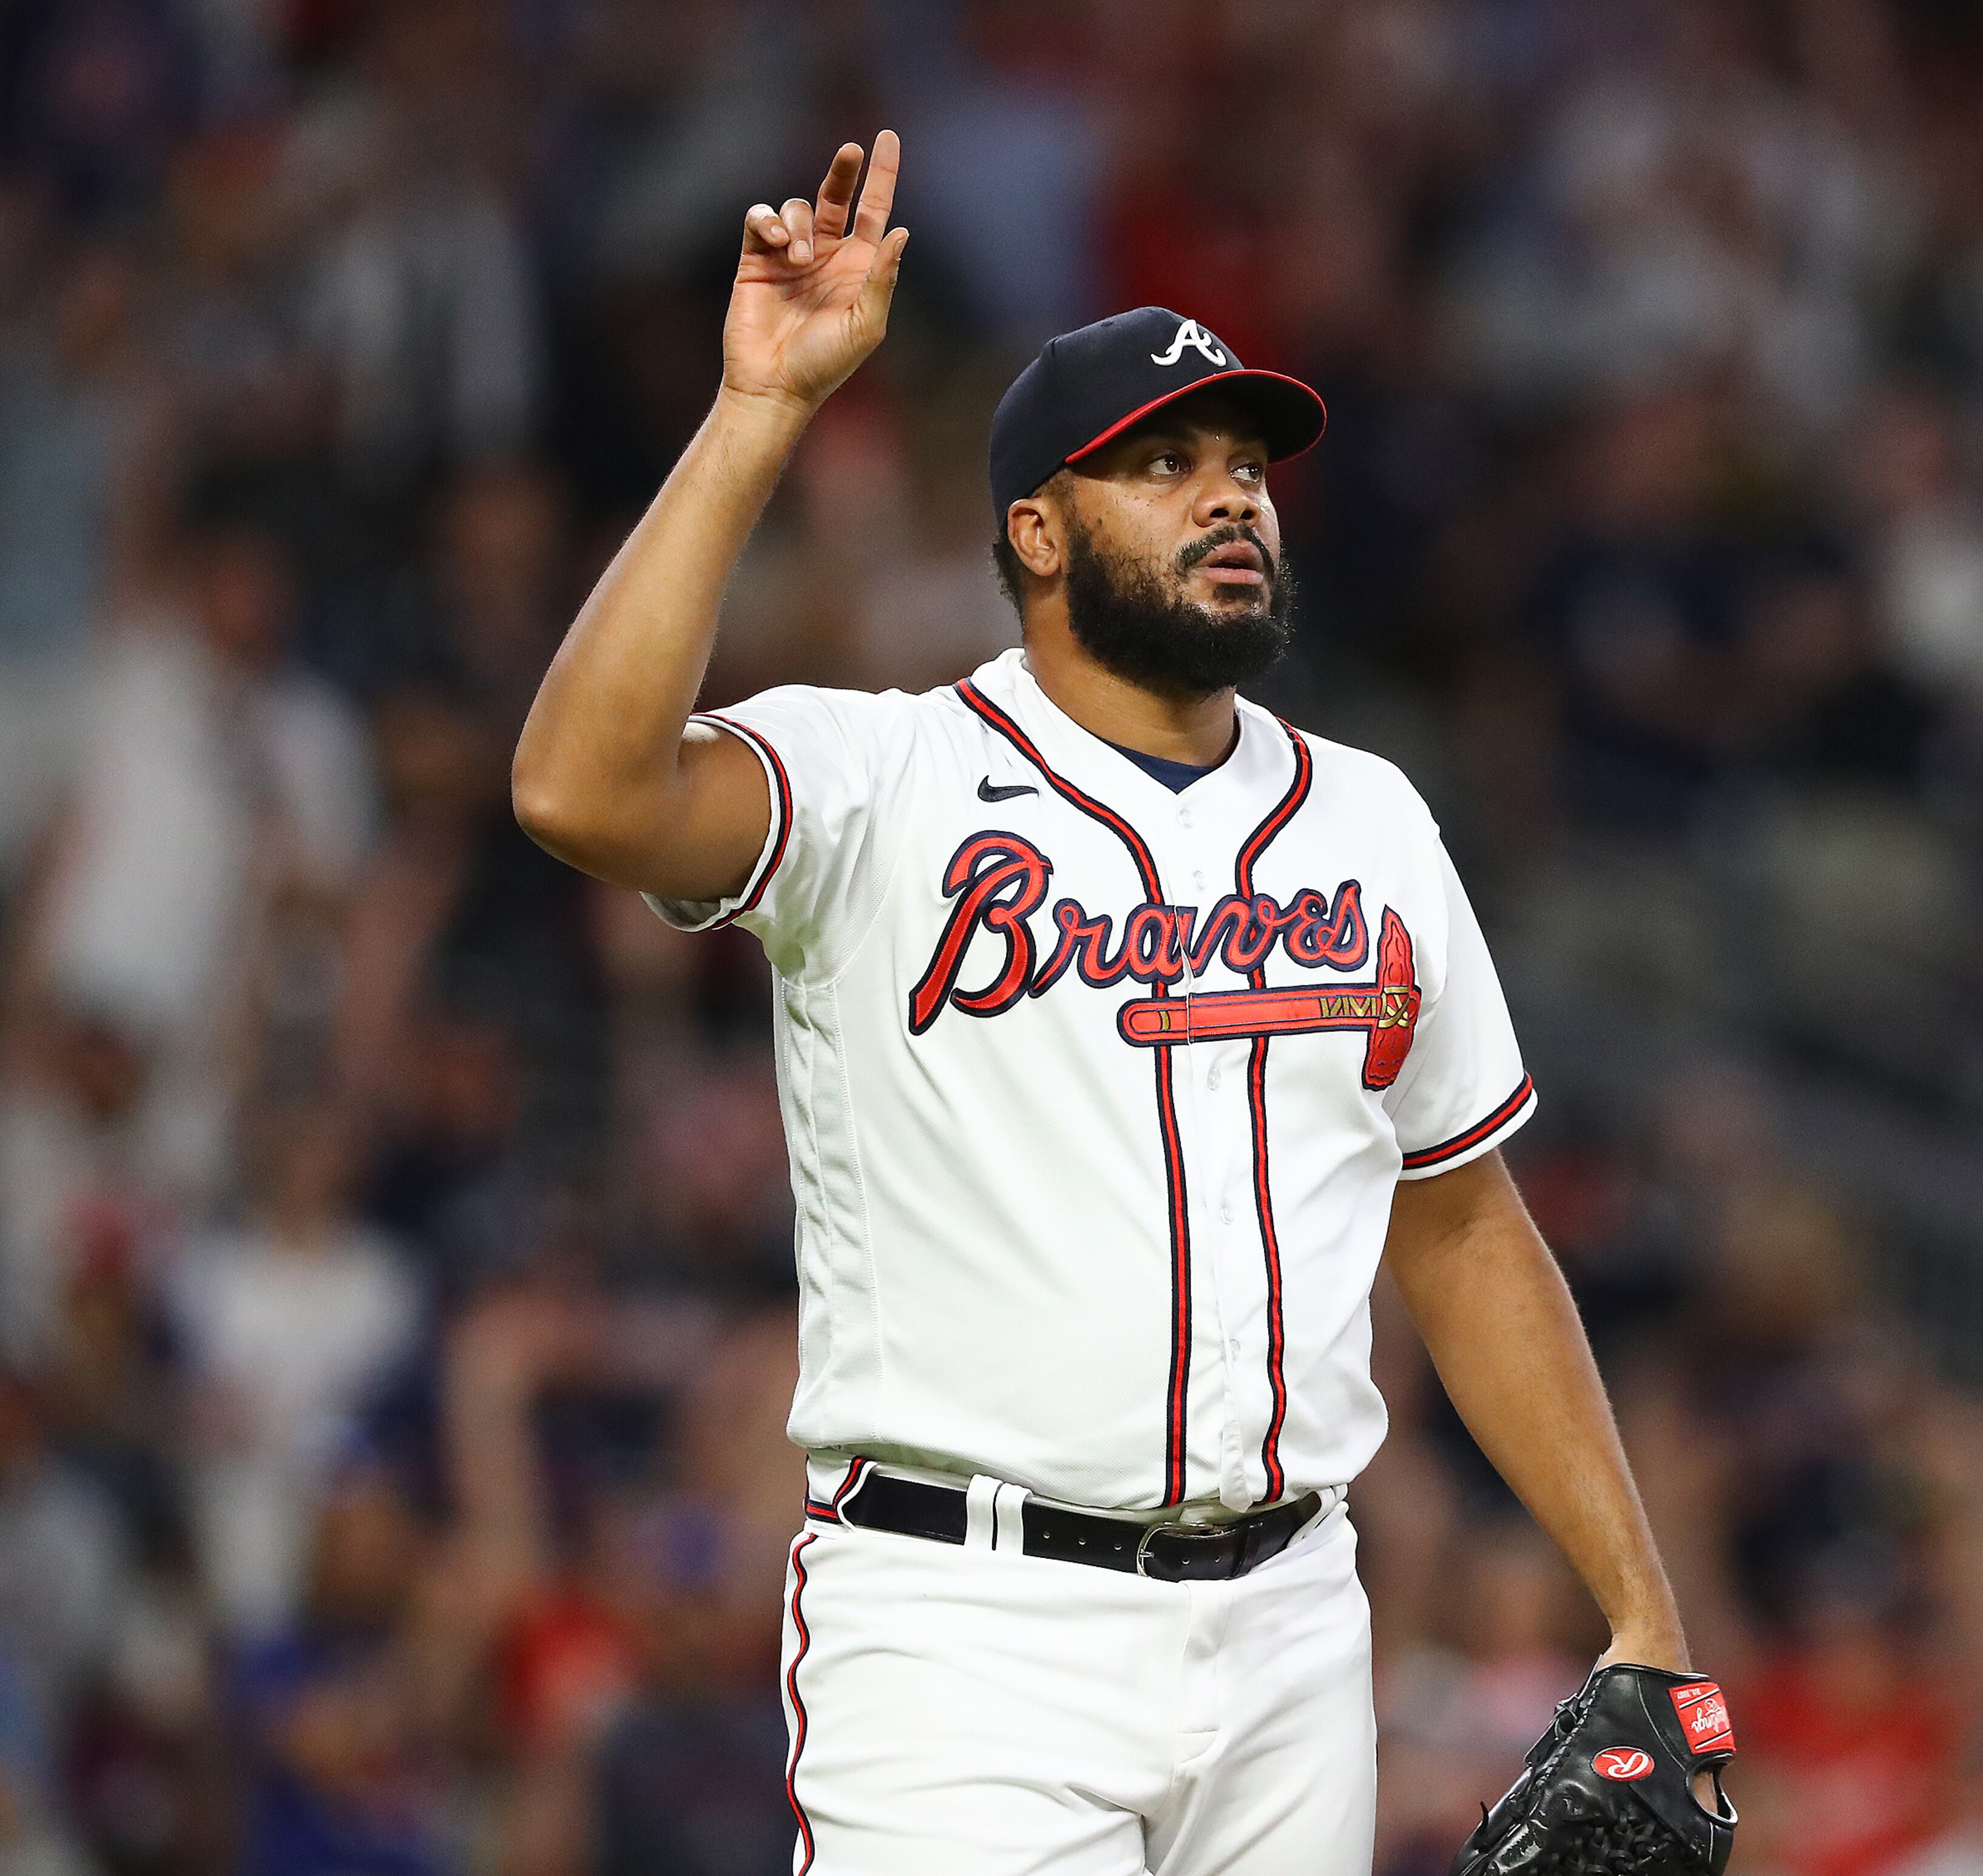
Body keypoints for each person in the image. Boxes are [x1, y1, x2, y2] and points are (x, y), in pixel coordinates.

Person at [511, 131, 1708, 1873]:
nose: (1231, 495)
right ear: (1037, 530)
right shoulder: (888, 776)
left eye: (1246, 464)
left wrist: (1643, 1618)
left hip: (1298, 1620)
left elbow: (1460, 1223)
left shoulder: (1368, 818)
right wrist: (760, 412)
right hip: (967, 1625)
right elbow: (580, 788)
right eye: (1163, 464)